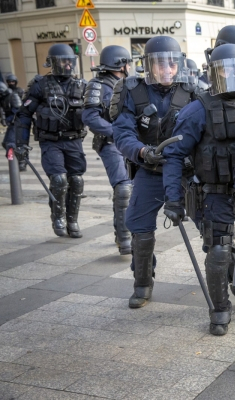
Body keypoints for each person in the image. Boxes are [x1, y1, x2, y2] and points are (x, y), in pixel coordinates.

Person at [162, 42, 235, 336]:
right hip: (213, 192)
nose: (233, 74)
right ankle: (220, 309)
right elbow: (174, 155)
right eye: (226, 69)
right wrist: (173, 201)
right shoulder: (197, 110)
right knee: (218, 250)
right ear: (213, 72)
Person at [110, 36, 197, 308]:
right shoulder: (131, 90)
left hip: (184, 171)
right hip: (149, 169)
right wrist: (142, 151)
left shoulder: (192, 90)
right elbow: (122, 133)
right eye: (160, 64)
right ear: (148, 65)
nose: (166, 70)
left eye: (171, 64)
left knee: (215, 226)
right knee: (139, 227)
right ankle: (143, 282)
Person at [12, 44, 88, 238]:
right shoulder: (40, 84)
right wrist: (21, 144)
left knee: (77, 180)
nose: (68, 66)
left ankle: (73, 219)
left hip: (74, 140)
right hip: (50, 141)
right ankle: (58, 217)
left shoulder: (81, 85)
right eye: (64, 61)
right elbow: (24, 115)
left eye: (70, 62)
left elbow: (95, 113)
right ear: (53, 63)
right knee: (59, 179)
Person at [82, 45, 134, 255]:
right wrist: (117, 132)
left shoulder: (131, 83)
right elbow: (90, 117)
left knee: (135, 189)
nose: (130, 66)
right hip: (111, 143)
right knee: (123, 188)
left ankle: (133, 231)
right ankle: (124, 238)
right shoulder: (97, 85)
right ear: (120, 64)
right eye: (127, 62)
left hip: (132, 143)